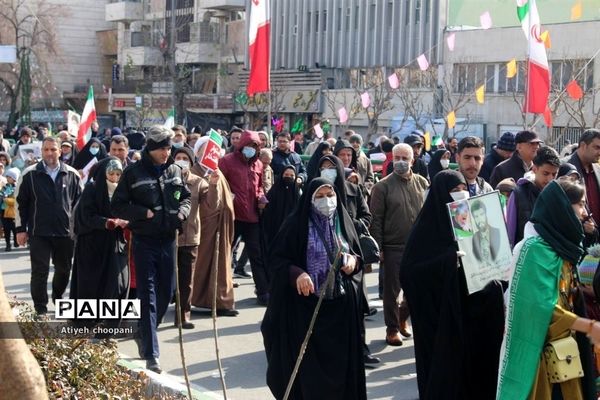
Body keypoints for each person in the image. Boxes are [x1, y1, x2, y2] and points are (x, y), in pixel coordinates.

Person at [400, 170, 505, 400]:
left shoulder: (475, 220)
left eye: (462, 189)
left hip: (474, 310)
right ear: (440, 194)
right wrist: (447, 262)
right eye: (453, 191)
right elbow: (409, 273)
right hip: (444, 318)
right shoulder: (426, 229)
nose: (460, 195)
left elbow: (492, 259)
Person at [261, 178, 366, 400]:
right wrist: (296, 274)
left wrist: (353, 262)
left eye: (330, 195)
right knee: (310, 377)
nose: (326, 201)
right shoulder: (295, 224)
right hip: (306, 312)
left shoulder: (344, 223)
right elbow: (277, 260)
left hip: (340, 312)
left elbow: (358, 257)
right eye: (319, 196)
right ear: (309, 199)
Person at [497, 179, 599, 400]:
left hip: (568, 353)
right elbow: (539, 306)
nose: (584, 213)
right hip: (540, 359)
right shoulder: (534, 249)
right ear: (561, 207)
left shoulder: (565, 246)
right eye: (580, 205)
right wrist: (588, 326)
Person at [111, 125, 191, 373]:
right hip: (144, 241)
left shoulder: (176, 170)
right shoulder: (133, 173)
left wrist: (182, 213)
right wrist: (141, 213)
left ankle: (143, 331)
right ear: (151, 148)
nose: (167, 153)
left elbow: (185, 197)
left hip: (168, 239)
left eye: (169, 148)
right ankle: (151, 354)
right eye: (162, 149)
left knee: (166, 294)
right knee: (148, 296)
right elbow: (118, 205)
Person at [15, 137, 83, 315]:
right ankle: (41, 309)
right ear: (41, 152)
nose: (49, 153)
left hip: (65, 233)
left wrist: (80, 230)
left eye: (53, 149)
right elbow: (20, 203)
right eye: (46, 150)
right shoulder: (29, 174)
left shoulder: (72, 174)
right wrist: (21, 229)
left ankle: (58, 297)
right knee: (40, 271)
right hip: (39, 232)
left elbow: (80, 204)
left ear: (60, 151)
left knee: (64, 270)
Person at [370, 143, 429, 346]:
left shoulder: (422, 183)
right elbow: (375, 219)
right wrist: (378, 248)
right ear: (391, 160)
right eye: (397, 158)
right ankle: (392, 328)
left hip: (418, 247)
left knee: (415, 289)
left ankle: (403, 318)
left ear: (413, 160)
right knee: (391, 291)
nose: (401, 162)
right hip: (393, 246)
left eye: (405, 158)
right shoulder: (382, 187)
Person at [70, 158, 129, 315]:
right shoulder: (92, 188)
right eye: (111, 173)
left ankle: (111, 321)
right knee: (90, 285)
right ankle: (87, 322)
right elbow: (85, 217)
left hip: (114, 244)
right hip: (91, 245)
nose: (114, 177)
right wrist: (108, 222)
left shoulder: (122, 191)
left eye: (118, 173)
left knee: (117, 284)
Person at [219, 130, 270, 305]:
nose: (251, 149)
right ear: (242, 145)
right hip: (232, 216)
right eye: (249, 146)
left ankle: (263, 291)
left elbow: (260, 187)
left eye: (255, 147)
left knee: (256, 255)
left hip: (253, 217)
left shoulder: (258, 165)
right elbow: (219, 185)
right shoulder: (226, 161)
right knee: (225, 255)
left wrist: (262, 197)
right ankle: (221, 293)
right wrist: (228, 197)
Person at [190, 137, 237, 316]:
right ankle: (199, 300)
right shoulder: (194, 172)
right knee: (203, 264)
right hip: (204, 226)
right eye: (206, 150)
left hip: (222, 226)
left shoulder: (216, 171)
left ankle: (222, 301)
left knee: (222, 264)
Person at [506, 146, 561, 247]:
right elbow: (510, 232)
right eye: (545, 173)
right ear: (535, 169)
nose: (550, 179)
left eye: (554, 174)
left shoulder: (559, 195)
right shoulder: (518, 194)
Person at [172, 147, 203, 327]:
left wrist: (213, 184)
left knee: (186, 279)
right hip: (168, 235)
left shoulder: (199, 182)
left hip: (190, 236)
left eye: (185, 158)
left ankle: (183, 315)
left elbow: (211, 205)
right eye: (179, 157)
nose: (182, 161)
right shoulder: (167, 179)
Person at [568, 129, 600, 226]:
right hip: (576, 234)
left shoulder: (597, 169)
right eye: (597, 147)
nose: (599, 152)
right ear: (583, 146)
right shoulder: (565, 168)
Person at [262, 166, 300, 244]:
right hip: (273, 228)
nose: (288, 177)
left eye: (292, 176)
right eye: (286, 174)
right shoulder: (274, 190)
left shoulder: (296, 193)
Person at [471, 199, 501, 266]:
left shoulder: (497, 232)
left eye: (481, 214)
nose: (480, 219)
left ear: (486, 214)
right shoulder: (474, 238)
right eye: (476, 216)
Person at [0, 168, 19, 251]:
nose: (7, 178)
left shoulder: (17, 188)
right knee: (6, 229)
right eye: (7, 176)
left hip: (13, 212)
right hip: (4, 211)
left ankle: (15, 240)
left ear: (14, 178)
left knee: (14, 228)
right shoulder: (4, 187)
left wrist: (6, 199)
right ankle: (8, 244)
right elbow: (1, 196)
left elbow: (17, 200)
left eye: (9, 177)